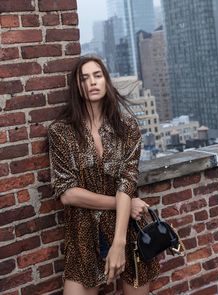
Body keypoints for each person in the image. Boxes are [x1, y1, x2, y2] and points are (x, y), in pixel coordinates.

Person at [48, 55, 160, 295]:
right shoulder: (61, 132)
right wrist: (126, 205)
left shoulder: (126, 126)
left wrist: (119, 242)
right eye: (84, 78)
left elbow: (127, 182)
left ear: (107, 81)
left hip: (129, 232)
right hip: (83, 233)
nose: (92, 82)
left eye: (97, 76)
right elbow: (67, 193)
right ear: (77, 87)